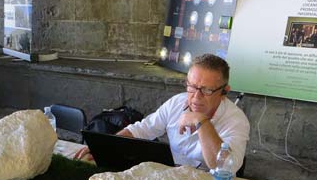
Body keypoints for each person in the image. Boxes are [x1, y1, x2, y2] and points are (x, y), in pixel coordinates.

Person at [75, 54, 249, 170]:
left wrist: (202, 122)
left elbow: (224, 167)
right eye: (192, 87)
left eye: (206, 90)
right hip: (171, 177)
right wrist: (105, 149)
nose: (196, 97)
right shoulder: (177, 102)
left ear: (224, 91)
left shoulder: (236, 120)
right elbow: (142, 130)